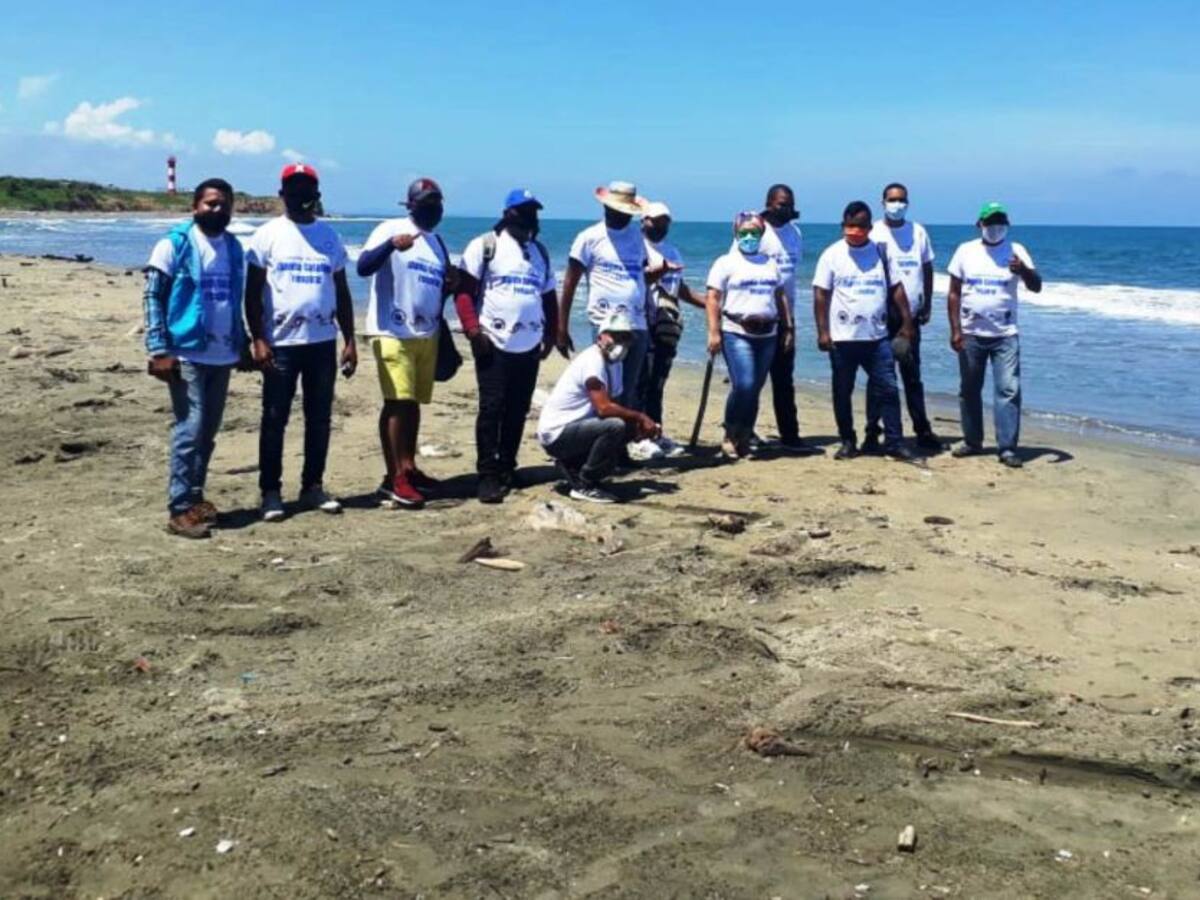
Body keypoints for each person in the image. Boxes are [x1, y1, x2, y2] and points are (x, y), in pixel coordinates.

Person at [245, 163, 357, 521]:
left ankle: (312, 486)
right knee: (274, 418)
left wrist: (350, 340)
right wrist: (258, 338)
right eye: (293, 190)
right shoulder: (267, 235)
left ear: (317, 194)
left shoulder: (329, 237)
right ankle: (271, 492)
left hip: (322, 342)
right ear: (282, 195)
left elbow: (341, 291)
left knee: (319, 418)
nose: (300, 196)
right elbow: (252, 293)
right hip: (280, 343)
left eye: (306, 190)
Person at [143, 178, 246, 538]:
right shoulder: (175, 244)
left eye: (224, 204)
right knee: (189, 428)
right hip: (185, 351)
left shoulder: (234, 247)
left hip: (222, 353)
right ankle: (178, 508)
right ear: (195, 207)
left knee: (208, 432)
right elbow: (153, 296)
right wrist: (158, 349)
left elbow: (233, 299)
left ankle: (195, 499)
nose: (218, 209)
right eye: (211, 203)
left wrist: (242, 342)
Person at [453, 188, 557, 503]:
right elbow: (463, 292)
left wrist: (551, 334)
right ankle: (487, 475)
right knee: (491, 409)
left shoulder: (539, 252)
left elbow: (548, 297)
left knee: (518, 410)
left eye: (533, 212)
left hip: (529, 345)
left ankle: (507, 467)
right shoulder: (485, 246)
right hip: (493, 343)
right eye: (524, 212)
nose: (530, 218)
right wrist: (473, 331)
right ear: (509, 214)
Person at [357, 177, 454, 509]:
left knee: (412, 403)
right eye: (427, 203)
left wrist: (451, 284)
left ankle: (409, 467)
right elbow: (363, 267)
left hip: (426, 333)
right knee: (397, 402)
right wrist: (390, 246)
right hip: (391, 331)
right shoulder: (390, 228)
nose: (434, 209)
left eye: (437, 203)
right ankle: (394, 478)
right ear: (410, 205)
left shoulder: (437, 243)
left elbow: (438, 288)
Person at [812, 201, 918, 462]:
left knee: (889, 389)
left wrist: (907, 323)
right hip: (842, 339)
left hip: (877, 338)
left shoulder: (882, 253)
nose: (855, 231)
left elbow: (897, 289)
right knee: (842, 392)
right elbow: (821, 294)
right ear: (842, 226)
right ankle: (848, 441)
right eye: (850, 226)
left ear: (870, 227)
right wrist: (823, 332)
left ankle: (894, 442)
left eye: (860, 226)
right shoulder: (831, 255)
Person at [946, 201, 1042, 468]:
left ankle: (1007, 448)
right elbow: (953, 292)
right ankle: (972, 441)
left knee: (1008, 390)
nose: (995, 227)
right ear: (980, 225)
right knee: (969, 389)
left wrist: (1023, 270)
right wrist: (955, 330)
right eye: (990, 222)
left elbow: (1036, 286)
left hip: (1005, 334)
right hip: (971, 334)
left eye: (1000, 222)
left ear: (1007, 225)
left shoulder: (1016, 250)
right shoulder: (965, 251)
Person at [558, 181, 663, 418]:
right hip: (606, 324)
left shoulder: (637, 238)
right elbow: (570, 283)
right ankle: (605, 436)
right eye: (617, 210)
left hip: (637, 323)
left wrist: (659, 275)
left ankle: (621, 438)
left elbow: (639, 277)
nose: (622, 215)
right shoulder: (589, 238)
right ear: (606, 208)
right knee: (607, 388)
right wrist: (561, 328)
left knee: (629, 390)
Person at [537, 311, 660, 503]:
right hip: (557, 433)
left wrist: (637, 430)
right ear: (601, 337)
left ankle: (573, 465)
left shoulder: (615, 365)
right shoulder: (593, 360)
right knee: (615, 426)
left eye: (624, 338)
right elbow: (604, 408)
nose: (620, 343)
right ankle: (585, 484)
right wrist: (640, 417)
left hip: (578, 427)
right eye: (615, 336)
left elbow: (616, 405)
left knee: (625, 428)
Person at [705, 211, 794, 459]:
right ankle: (730, 431)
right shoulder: (725, 263)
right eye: (743, 233)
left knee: (755, 388)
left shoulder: (770, 263)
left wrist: (788, 328)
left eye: (754, 232)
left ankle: (744, 435)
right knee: (744, 384)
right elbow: (713, 298)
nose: (749, 237)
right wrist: (714, 333)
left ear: (761, 234)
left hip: (768, 335)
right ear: (736, 234)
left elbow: (780, 296)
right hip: (737, 333)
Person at [866, 183, 941, 451]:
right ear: (882, 202)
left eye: (901, 200)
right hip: (882, 317)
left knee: (912, 376)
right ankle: (872, 430)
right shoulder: (874, 232)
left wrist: (928, 303)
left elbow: (927, 268)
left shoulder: (918, 231)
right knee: (879, 377)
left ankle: (922, 430)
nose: (897, 205)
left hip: (911, 318)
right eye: (892, 200)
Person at [638, 200, 706, 457]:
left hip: (667, 324)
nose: (660, 226)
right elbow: (635, 282)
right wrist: (658, 272)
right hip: (643, 321)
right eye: (655, 221)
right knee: (642, 380)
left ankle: (655, 431)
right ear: (643, 221)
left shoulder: (672, 251)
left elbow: (679, 288)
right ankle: (638, 436)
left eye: (665, 222)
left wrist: (709, 304)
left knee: (658, 381)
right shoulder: (637, 247)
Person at [757, 184, 809, 451]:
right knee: (752, 380)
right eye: (781, 204)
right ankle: (742, 431)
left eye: (790, 204)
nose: (786, 209)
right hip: (759, 316)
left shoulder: (795, 233)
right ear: (769, 204)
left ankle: (790, 435)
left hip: (786, 318)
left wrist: (790, 324)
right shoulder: (756, 231)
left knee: (784, 379)